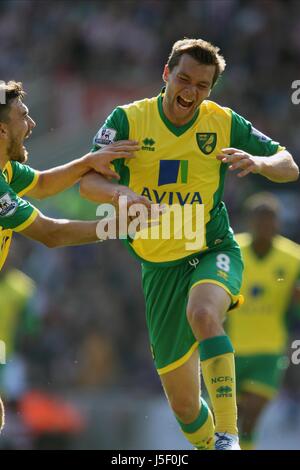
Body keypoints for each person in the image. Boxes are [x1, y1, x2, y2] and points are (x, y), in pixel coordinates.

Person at [80, 38, 299, 450]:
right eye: (183, 79)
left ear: (210, 90)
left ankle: (229, 436)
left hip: (210, 249)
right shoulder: (127, 120)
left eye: (202, 85)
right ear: (166, 75)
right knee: (184, 407)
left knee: (203, 313)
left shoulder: (222, 122)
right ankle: (209, 445)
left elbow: (289, 163)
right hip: (157, 267)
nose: (190, 92)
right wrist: (120, 194)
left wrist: (260, 162)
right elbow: (88, 179)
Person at [0, 80, 139, 432]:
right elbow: (51, 233)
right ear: (2, 130)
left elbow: (44, 183)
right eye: (24, 117)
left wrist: (89, 161)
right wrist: (117, 226)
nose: (31, 125)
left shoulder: (6, 170)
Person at [225, 192, 300, 449]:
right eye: (259, 221)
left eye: (269, 221)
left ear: (277, 223)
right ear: (249, 222)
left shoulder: (293, 258)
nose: (264, 227)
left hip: (268, 350)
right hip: (230, 348)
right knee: (226, 421)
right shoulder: (232, 249)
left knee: (251, 418)